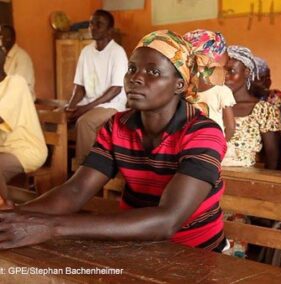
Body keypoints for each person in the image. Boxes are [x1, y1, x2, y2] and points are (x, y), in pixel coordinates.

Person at [0, 30, 227, 252]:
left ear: (179, 85)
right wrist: (14, 217)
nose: (136, 78)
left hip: (196, 254)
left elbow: (167, 220)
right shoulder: (117, 126)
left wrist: (52, 226)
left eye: (153, 72)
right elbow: (77, 190)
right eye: (132, 69)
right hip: (133, 245)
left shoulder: (203, 133)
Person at [65, 9, 128, 165]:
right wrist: (70, 108)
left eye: (98, 24)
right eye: (91, 23)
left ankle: (83, 169)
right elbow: (79, 87)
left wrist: (85, 108)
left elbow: (116, 89)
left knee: (84, 122)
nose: (92, 27)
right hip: (90, 103)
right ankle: (60, 166)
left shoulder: (117, 52)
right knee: (59, 117)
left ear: (110, 30)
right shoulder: (86, 51)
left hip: (112, 105)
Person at [0, 44, 47, 207]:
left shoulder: (16, 83)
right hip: (5, 150)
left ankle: (6, 214)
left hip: (27, 149)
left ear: (4, 58)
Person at [222, 45, 281, 169]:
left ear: (246, 72)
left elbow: (272, 158)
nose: (225, 76)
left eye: (231, 71)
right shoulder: (213, 105)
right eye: (222, 71)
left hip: (247, 181)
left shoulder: (265, 110)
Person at [183, 29, 236, 141]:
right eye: (224, 50)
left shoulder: (180, 90)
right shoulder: (222, 90)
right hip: (212, 148)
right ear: (214, 57)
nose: (229, 58)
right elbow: (231, 127)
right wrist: (221, 145)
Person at [0, 24, 35, 97]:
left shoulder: (22, 57)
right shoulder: (3, 55)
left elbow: (18, 87)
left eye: (2, 37)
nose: (0, 41)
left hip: (21, 102)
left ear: (9, 39)